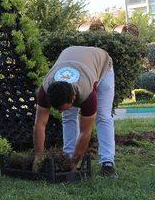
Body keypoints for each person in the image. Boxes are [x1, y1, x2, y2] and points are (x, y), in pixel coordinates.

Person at [33, 46, 116, 177]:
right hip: (71, 55)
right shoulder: (45, 89)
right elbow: (40, 124)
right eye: (57, 109)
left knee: (103, 115)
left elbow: (85, 132)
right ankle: (68, 157)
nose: (59, 112)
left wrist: (74, 164)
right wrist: (38, 157)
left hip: (102, 64)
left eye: (61, 108)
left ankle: (107, 163)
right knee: (68, 115)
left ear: (73, 98)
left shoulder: (88, 94)